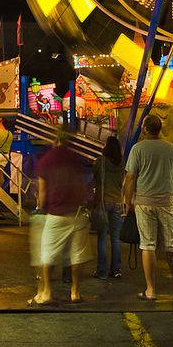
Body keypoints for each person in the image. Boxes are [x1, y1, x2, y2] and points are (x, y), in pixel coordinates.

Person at [123, 111, 173, 300]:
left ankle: (150, 290)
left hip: (144, 202)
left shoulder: (138, 149)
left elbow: (130, 177)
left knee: (148, 245)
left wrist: (128, 202)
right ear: (160, 129)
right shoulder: (171, 149)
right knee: (172, 245)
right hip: (166, 202)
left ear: (144, 129)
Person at [29, 128, 92, 305]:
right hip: (77, 213)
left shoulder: (46, 160)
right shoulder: (76, 158)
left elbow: (42, 192)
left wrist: (40, 208)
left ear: (55, 139)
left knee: (47, 254)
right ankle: (75, 292)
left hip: (56, 214)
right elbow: (82, 185)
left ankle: (47, 292)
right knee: (77, 255)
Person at [92, 135, 125, 279]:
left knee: (102, 238)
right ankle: (116, 269)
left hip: (103, 202)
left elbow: (94, 178)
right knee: (116, 238)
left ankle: (102, 271)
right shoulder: (121, 163)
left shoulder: (100, 162)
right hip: (118, 201)